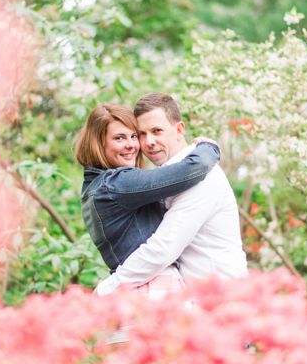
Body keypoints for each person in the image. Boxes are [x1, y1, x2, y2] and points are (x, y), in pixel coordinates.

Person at [95, 93, 248, 296]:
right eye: (141, 134)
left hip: (224, 301)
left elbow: (163, 248)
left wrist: (107, 288)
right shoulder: (167, 178)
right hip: (198, 305)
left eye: (157, 131)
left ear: (179, 130)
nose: (149, 141)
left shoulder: (201, 178)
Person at [75, 103, 221, 296]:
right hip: (150, 288)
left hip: (138, 287)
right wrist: (208, 147)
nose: (132, 145)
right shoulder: (115, 184)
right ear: (99, 143)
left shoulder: (97, 186)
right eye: (119, 138)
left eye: (134, 136)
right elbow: (195, 167)